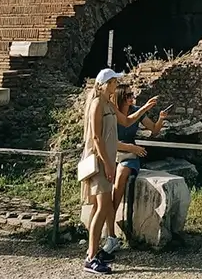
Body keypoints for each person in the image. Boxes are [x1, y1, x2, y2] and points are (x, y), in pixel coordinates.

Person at [104, 83, 169, 254]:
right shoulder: (112, 112)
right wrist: (130, 147)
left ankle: (111, 232)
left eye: (132, 94)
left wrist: (161, 118)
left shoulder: (136, 110)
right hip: (114, 152)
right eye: (128, 95)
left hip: (129, 157)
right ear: (120, 97)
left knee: (120, 179)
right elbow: (110, 139)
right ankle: (110, 231)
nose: (132, 98)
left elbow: (154, 130)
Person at [81, 68, 124, 275]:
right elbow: (97, 138)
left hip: (107, 161)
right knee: (102, 208)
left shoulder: (108, 104)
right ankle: (91, 256)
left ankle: (95, 251)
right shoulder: (98, 104)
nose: (116, 85)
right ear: (104, 84)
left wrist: (144, 110)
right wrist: (107, 164)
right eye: (114, 82)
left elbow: (125, 121)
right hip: (100, 162)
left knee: (102, 208)